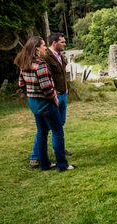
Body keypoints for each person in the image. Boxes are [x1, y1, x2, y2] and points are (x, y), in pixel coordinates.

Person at [14, 36, 76, 172]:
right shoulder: (40, 64)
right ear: (37, 48)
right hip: (46, 103)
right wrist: (54, 98)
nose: (45, 48)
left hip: (34, 103)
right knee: (58, 131)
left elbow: (21, 84)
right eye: (43, 46)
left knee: (42, 132)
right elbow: (47, 87)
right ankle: (63, 165)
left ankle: (45, 164)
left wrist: (31, 94)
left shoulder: (25, 64)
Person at [29, 33, 73, 167]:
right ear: (54, 43)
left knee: (60, 123)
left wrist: (66, 89)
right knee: (47, 128)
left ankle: (57, 149)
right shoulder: (45, 57)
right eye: (62, 42)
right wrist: (52, 95)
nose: (65, 44)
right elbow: (44, 78)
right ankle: (35, 157)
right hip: (52, 96)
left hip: (62, 93)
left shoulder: (61, 56)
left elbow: (62, 74)